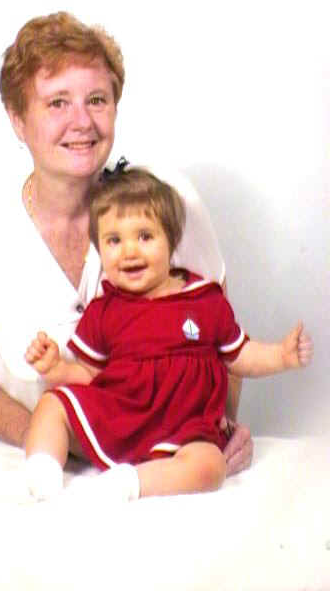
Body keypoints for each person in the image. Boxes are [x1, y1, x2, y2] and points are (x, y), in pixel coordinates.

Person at [0, 11, 252, 475]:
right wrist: (39, 434)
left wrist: (219, 428)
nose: (82, 122)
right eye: (57, 103)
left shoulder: (171, 203)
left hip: (161, 481)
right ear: (18, 120)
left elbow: (224, 342)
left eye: (96, 99)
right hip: (27, 477)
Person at [24, 167, 313, 501]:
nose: (130, 251)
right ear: (99, 250)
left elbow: (239, 355)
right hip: (122, 416)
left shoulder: (204, 300)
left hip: (185, 427)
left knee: (210, 466)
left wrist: (281, 355)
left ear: (171, 240)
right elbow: (89, 375)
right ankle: (42, 474)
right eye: (114, 241)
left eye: (145, 237)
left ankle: (129, 483)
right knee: (52, 404)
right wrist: (57, 368)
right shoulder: (105, 309)